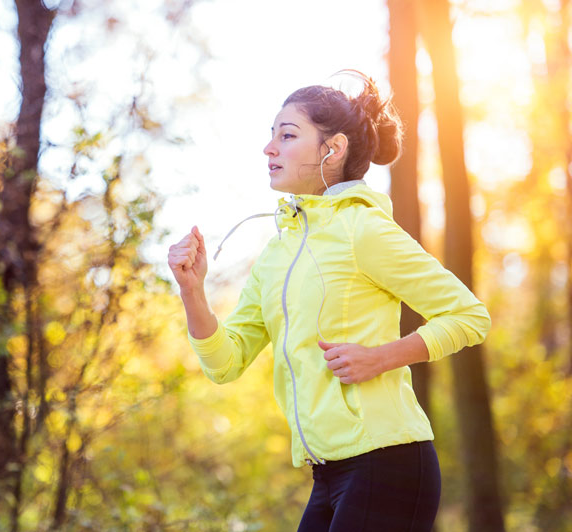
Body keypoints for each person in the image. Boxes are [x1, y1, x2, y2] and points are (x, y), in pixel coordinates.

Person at [166, 70, 491, 531]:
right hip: (328, 473)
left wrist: (380, 358)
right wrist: (192, 292)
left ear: (332, 149)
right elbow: (226, 362)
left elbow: (468, 315)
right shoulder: (277, 254)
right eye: (271, 136)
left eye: (288, 135)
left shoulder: (363, 229)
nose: (269, 148)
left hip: (388, 460)